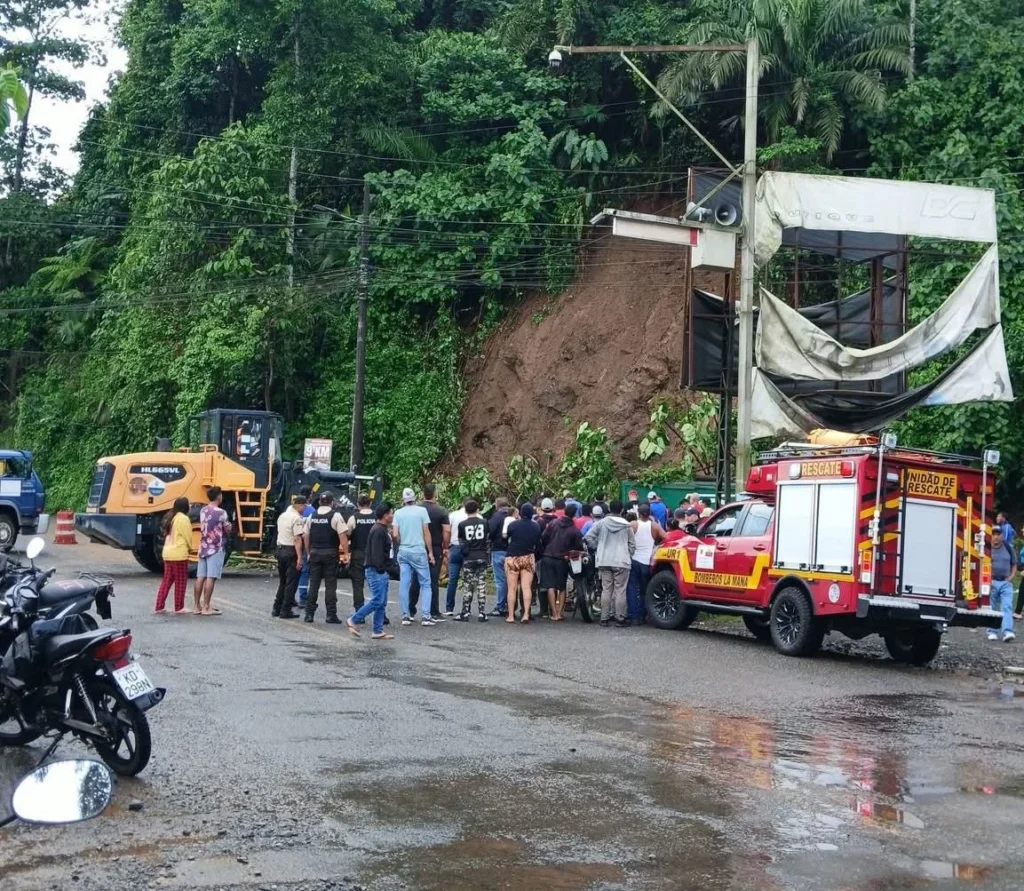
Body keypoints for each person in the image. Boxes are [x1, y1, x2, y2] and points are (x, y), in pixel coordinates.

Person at [345, 502, 396, 640]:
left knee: (382, 602)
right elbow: (377, 553)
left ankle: (377, 630)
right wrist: (382, 569)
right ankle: (354, 620)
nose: (392, 515)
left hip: (380, 570)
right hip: (376, 570)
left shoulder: (381, 529)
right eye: (391, 513)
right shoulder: (378, 530)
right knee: (377, 600)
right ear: (385, 516)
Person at [585, 500, 635, 628]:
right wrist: (627, 553)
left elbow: (588, 537)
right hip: (621, 562)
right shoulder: (626, 526)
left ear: (608, 509)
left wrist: (598, 547)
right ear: (622, 510)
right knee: (620, 590)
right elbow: (632, 545)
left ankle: (604, 618)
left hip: (604, 560)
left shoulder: (601, 523)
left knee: (606, 589)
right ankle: (620, 618)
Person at [304, 492, 350, 624]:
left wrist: (308, 552)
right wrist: (346, 553)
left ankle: (309, 614)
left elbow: (306, 536)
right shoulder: (335, 516)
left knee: (313, 584)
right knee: (330, 585)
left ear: (319, 502)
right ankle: (331, 615)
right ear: (332, 502)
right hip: (330, 554)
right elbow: (342, 536)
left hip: (315, 553)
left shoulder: (312, 516)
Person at [393, 488, 436, 626]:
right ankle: (425, 616)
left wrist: (400, 542)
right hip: (418, 551)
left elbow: (394, 534)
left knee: (404, 583)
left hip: (404, 551)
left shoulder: (398, 513)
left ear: (403, 500)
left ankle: (406, 616)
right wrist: (430, 552)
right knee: (425, 584)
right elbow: (426, 532)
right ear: (415, 498)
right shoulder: (422, 511)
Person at [539, 503, 585, 621]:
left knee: (550, 586)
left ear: (564, 512)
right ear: (574, 515)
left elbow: (544, 538)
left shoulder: (553, 523)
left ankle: (553, 613)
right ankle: (560, 613)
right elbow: (578, 547)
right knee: (561, 586)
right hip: (562, 559)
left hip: (548, 556)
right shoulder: (574, 530)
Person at [194, 486, 231, 616]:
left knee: (200, 577)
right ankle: (206, 607)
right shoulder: (221, 513)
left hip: (203, 546)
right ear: (218, 497)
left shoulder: (203, 510)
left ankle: (197, 606)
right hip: (215, 547)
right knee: (211, 577)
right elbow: (227, 528)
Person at [628, 503, 666, 623]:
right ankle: (644, 614)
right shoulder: (654, 526)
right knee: (645, 589)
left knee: (632, 588)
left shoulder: (633, 525)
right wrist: (657, 546)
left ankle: (633, 615)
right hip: (647, 562)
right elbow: (666, 537)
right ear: (649, 514)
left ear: (638, 513)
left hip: (634, 560)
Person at [452, 499, 489, 622]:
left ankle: (465, 612)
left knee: (468, 585)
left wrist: (465, 553)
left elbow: (461, 542)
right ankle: (482, 613)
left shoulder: (462, 525)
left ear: (465, 510)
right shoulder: (484, 522)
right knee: (481, 584)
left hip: (469, 557)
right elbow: (488, 539)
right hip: (482, 555)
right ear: (478, 510)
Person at [505, 503, 541, 624]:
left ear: (520, 513)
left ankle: (510, 615)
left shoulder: (513, 525)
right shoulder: (536, 526)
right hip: (528, 557)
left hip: (512, 557)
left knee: (512, 588)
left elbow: (506, 538)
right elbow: (538, 542)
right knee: (526, 587)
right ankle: (525, 614)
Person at [154, 496, 192, 614]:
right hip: (179, 554)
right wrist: (190, 549)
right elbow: (187, 537)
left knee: (166, 581)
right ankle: (179, 607)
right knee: (181, 581)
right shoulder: (183, 519)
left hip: (168, 552)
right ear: (185, 507)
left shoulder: (171, 517)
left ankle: (159, 606)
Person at [417, 484, 449, 620]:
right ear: (435, 494)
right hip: (435, 547)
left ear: (423, 494)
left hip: (417, 545)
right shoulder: (441, 511)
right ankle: (433, 611)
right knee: (432, 579)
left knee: (414, 579)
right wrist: (445, 546)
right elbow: (446, 530)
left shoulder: (417, 509)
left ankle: (410, 610)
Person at [272, 495, 306, 619]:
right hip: (291, 551)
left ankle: (276, 607)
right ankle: (285, 610)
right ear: (300, 505)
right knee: (291, 583)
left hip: (280, 550)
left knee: (283, 581)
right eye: (304, 506)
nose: (304, 509)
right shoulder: (297, 518)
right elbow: (297, 538)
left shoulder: (282, 516)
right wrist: (300, 557)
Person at [346, 494, 375, 612]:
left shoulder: (354, 518)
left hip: (358, 553)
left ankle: (359, 611)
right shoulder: (376, 517)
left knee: (358, 584)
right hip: (374, 554)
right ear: (370, 504)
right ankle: (380, 614)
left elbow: (347, 535)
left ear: (358, 505)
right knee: (376, 585)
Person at [988, 526, 1016, 643]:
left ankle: (1007, 631)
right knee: (991, 607)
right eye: (994, 534)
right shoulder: (986, 549)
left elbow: (1014, 563)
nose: (996, 537)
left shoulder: (1008, 547)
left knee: (1007, 606)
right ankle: (992, 631)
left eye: (998, 534)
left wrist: (1011, 577)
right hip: (991, 581)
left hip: (1005, 581)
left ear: (1002, 536)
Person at [444, 497, 469, 616]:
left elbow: (447, 531)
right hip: (469, 550)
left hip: (454, 547)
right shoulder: (477, 517)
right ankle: (466, 608)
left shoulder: (453, 515)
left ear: (461, 504)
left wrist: (446, 546)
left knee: (452, 580)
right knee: (468, 579)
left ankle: (449, 608)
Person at [487, 497, 511, 617]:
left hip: (498, 550)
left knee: (500, 581)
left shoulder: (496, 517)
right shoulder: (513, 516)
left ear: (497, 506)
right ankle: (511, 605)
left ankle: (500, 606)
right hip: (512, 552)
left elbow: (489, 531)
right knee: (511, 581)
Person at [296, 486, 315, 608]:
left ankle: (289, 597)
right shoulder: (312, 511)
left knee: (293, 571)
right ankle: (303, 598)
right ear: (310, 496)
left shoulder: (291, 509)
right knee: (304, 571)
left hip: (291, 542)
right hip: (304, 543)